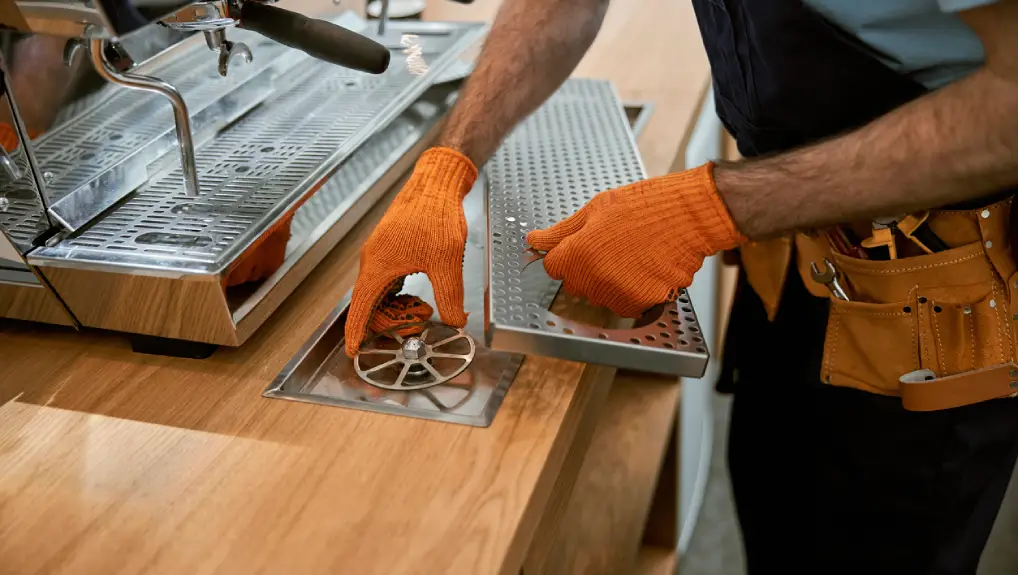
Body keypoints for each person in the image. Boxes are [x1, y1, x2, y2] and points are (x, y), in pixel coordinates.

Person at [344, 0, 1018, 572]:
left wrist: (713, 206)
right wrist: (448, 162)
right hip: (790, 272)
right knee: (775, 513)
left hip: (928, 325)